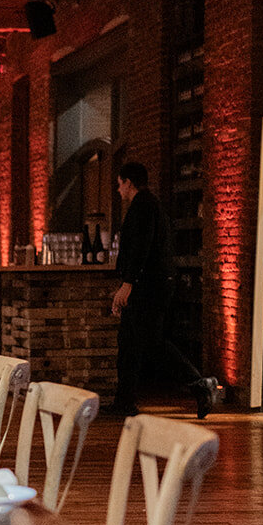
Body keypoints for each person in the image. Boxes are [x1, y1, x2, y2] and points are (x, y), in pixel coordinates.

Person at [111, 160, 220, 420]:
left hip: (147, 288)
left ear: (129, 183)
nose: (118, 190)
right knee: (128, 343)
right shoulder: (148, 205)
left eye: (119, 184)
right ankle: (124, 401)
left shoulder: (143, 207)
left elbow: (141, 248)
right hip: (147, 285)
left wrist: (128, 284)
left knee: (152, 342)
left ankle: (200, 384)